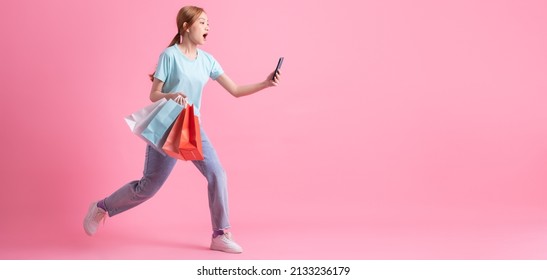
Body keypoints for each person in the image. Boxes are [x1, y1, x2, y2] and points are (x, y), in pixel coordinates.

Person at [83, 5, 281, 254]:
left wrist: (266, 83)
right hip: (167, 125)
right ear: (186, 27)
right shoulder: (169, 55)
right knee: (148, 188)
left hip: (193, 126)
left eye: (209, 23)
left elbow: (236, 90)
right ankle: (101, 207)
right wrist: (172, 94)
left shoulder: (208, 60)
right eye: (202, 22)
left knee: (217, 173)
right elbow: (154, 94)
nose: (208, 27)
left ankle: (220, 234)